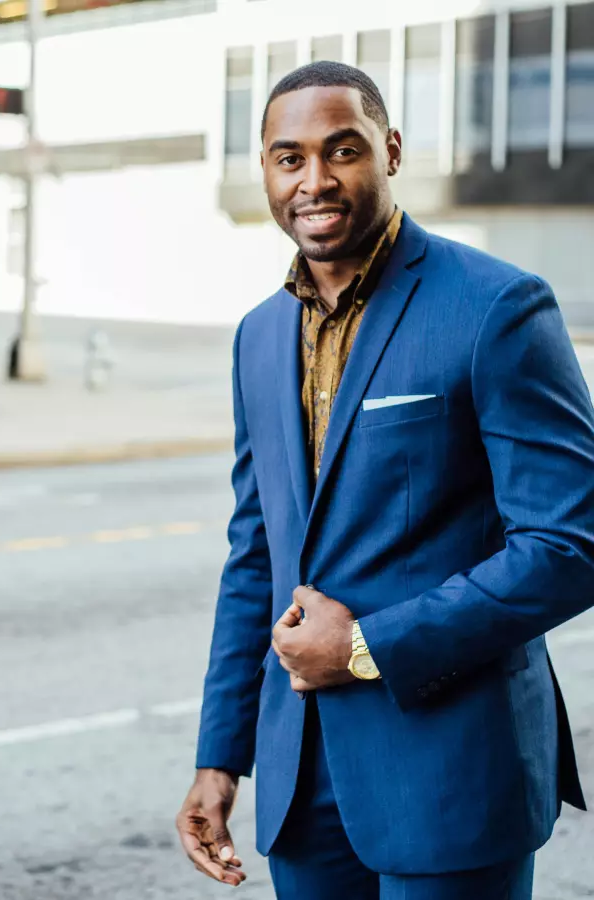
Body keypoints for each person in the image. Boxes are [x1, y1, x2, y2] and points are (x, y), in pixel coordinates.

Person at [175, 60, 592, 899]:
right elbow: (257, 556)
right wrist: (221, 755)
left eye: (343, 151)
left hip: (452, 771)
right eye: (288, 158)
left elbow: (570, 545)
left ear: (391, 150)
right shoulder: (259, 336)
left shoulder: (495, 307)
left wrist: (366, 647)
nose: (315, 181)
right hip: (302, 779)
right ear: (264, 169)